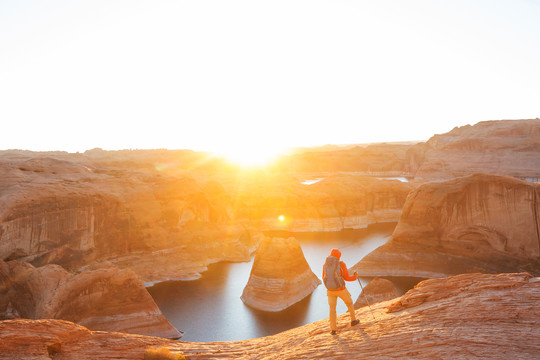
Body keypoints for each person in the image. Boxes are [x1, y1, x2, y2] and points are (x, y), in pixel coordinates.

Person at [322, 248, 359, 335]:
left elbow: (323, 277)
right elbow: (347, 278)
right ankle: (353, 320)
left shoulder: (325, 265)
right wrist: (355, 276)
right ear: (339, 256)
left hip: (330, 290)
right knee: (349, 303)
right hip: (340, 289)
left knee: (332, 310)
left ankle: (333, 330)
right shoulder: (341, 264)